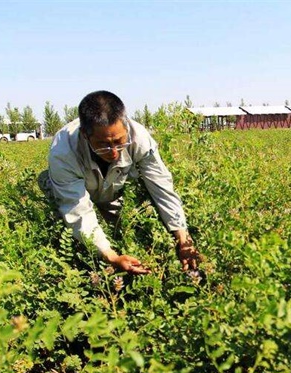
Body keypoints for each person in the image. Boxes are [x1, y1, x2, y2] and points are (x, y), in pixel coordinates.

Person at [39, 90, 199, 275]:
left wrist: (182, 236)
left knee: (127, 231)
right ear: (85, 135)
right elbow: (77, 209)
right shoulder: (63, 152)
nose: (114, 152)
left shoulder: (139, 137)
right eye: (104, 144)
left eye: (119, 141)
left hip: (115, 190)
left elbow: (161, 187)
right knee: (71, 232)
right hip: (76, 193)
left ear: (126, 126)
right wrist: (111, 256)